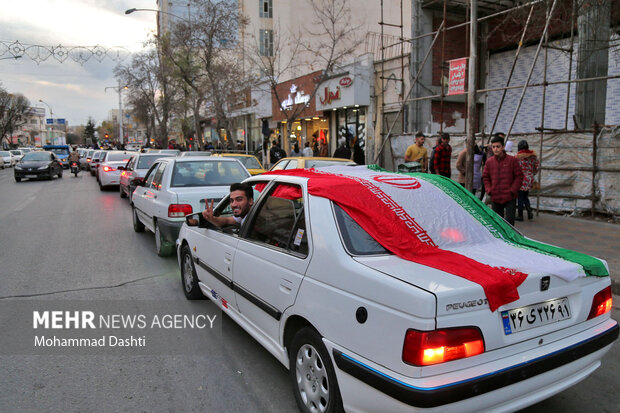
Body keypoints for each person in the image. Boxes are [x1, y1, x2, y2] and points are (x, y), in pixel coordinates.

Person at [482, 134, 523, 225]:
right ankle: (499, 239)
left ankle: (511, 239)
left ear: (503, 147)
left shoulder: (512, 160)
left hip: (510, 197)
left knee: (509, 222)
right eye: (493, 147)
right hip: (495, 196)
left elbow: (519, 176)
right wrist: (489, 190)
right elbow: (485, 177)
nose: (495, 149)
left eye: (498, 147)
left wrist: (512, 190)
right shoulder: (489, 162)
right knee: (497, 223)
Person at [515, 139, 539, 221]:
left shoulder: (517, 157)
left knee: (520, 197)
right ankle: (529, 212)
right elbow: (536, 168)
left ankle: (520, 215)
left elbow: (514, 168)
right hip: (530, 178)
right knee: (525, 196)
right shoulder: (533, 156)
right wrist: (531, 174)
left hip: (521, 179)